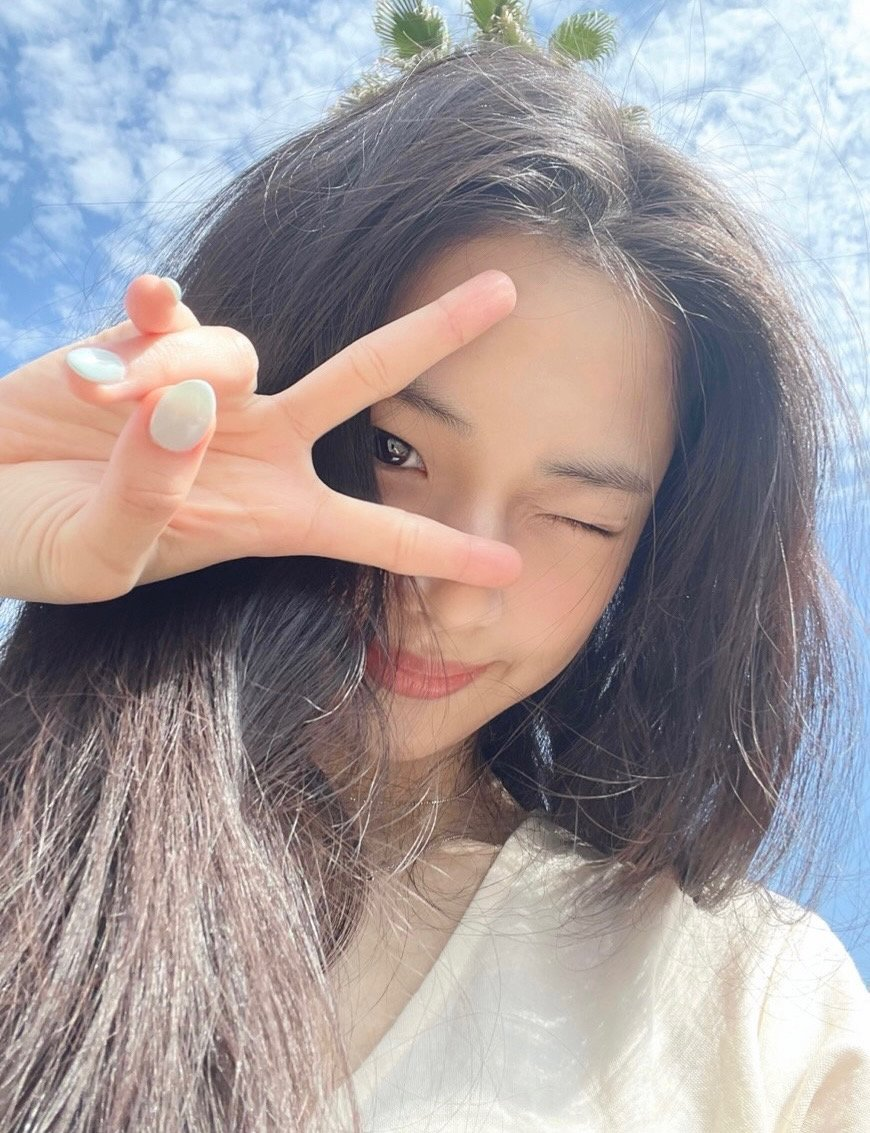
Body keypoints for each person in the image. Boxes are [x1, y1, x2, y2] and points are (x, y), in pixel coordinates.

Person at [0, 38, 867, 1133]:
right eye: (395, 450)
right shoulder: (36, 818)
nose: (451, 588)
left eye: (579, 517)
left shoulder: (751, 1012)